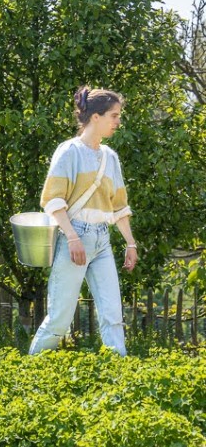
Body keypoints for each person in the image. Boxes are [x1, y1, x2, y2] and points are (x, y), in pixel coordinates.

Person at [29, 87, 138, 356]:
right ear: (96, 117)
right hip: (73, 237)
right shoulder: (69, 152)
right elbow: (53, 202)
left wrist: (131, 243)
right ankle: (29, 372)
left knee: (113, 314)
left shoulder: (110, 157)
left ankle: (121, 378)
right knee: (59, 319)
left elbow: (119, 206)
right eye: (114, 116)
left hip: (102, 240)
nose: (117, 122)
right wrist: (73, 237)